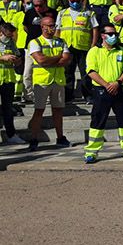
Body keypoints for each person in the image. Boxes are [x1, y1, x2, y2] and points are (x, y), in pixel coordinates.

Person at [83, 23, 123, 163]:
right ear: (103, 36)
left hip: (119, 89)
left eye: (115, 34)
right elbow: (91, 71)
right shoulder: (94, 51)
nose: (113, 37)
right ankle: (91, 152)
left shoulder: (121, 51)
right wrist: (106, 85)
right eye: (110, 34)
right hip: (101, 91)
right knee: (98, 120)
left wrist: (118, 82)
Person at [26, 16, 71, 151]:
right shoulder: (35, 42)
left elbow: (67, 59)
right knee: (39, 111)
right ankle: (34, 139)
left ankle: (60, 137)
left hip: (58, 80)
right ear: (42, 27)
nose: (52, 28)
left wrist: (53, 59)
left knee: (58, 110)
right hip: (42, 81)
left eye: (53, 26)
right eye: (49, 26)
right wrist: (58, 57)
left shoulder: (61, 41)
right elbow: (41, 60)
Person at [0, 23, 24, 145]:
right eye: (8, 35)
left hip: (8, 80)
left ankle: (11, 135)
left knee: (8, 110)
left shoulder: (11, 43)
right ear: (0, 33)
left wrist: (17, 61)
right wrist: (2, 58)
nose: (10, 38)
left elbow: (18, 59)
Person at [56, 0, 98, 103]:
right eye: (72, 1)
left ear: (81, 1)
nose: (75, 3)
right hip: (67, 47)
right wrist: (56, 45)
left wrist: (93, 45)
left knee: (86, 73)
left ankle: (88, 95)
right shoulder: (62, 13)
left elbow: (95, 29)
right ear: (68, 1)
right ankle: (68, 96)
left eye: (77, 1)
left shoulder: (88, 13)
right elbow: (58, 30)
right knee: (67, 72)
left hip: (83, 47)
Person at [22, 0, 58, 103]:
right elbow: (25, 27)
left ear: (45, 3)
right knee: (27, 72)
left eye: (40, 5)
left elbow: (56, 27)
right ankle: (28, 95)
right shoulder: (30, 12)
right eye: (35, 5)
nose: (37, 8)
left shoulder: (53, 12)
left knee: (46, 70)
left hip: (46, 45)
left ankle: (46, 96)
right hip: (31, 45)